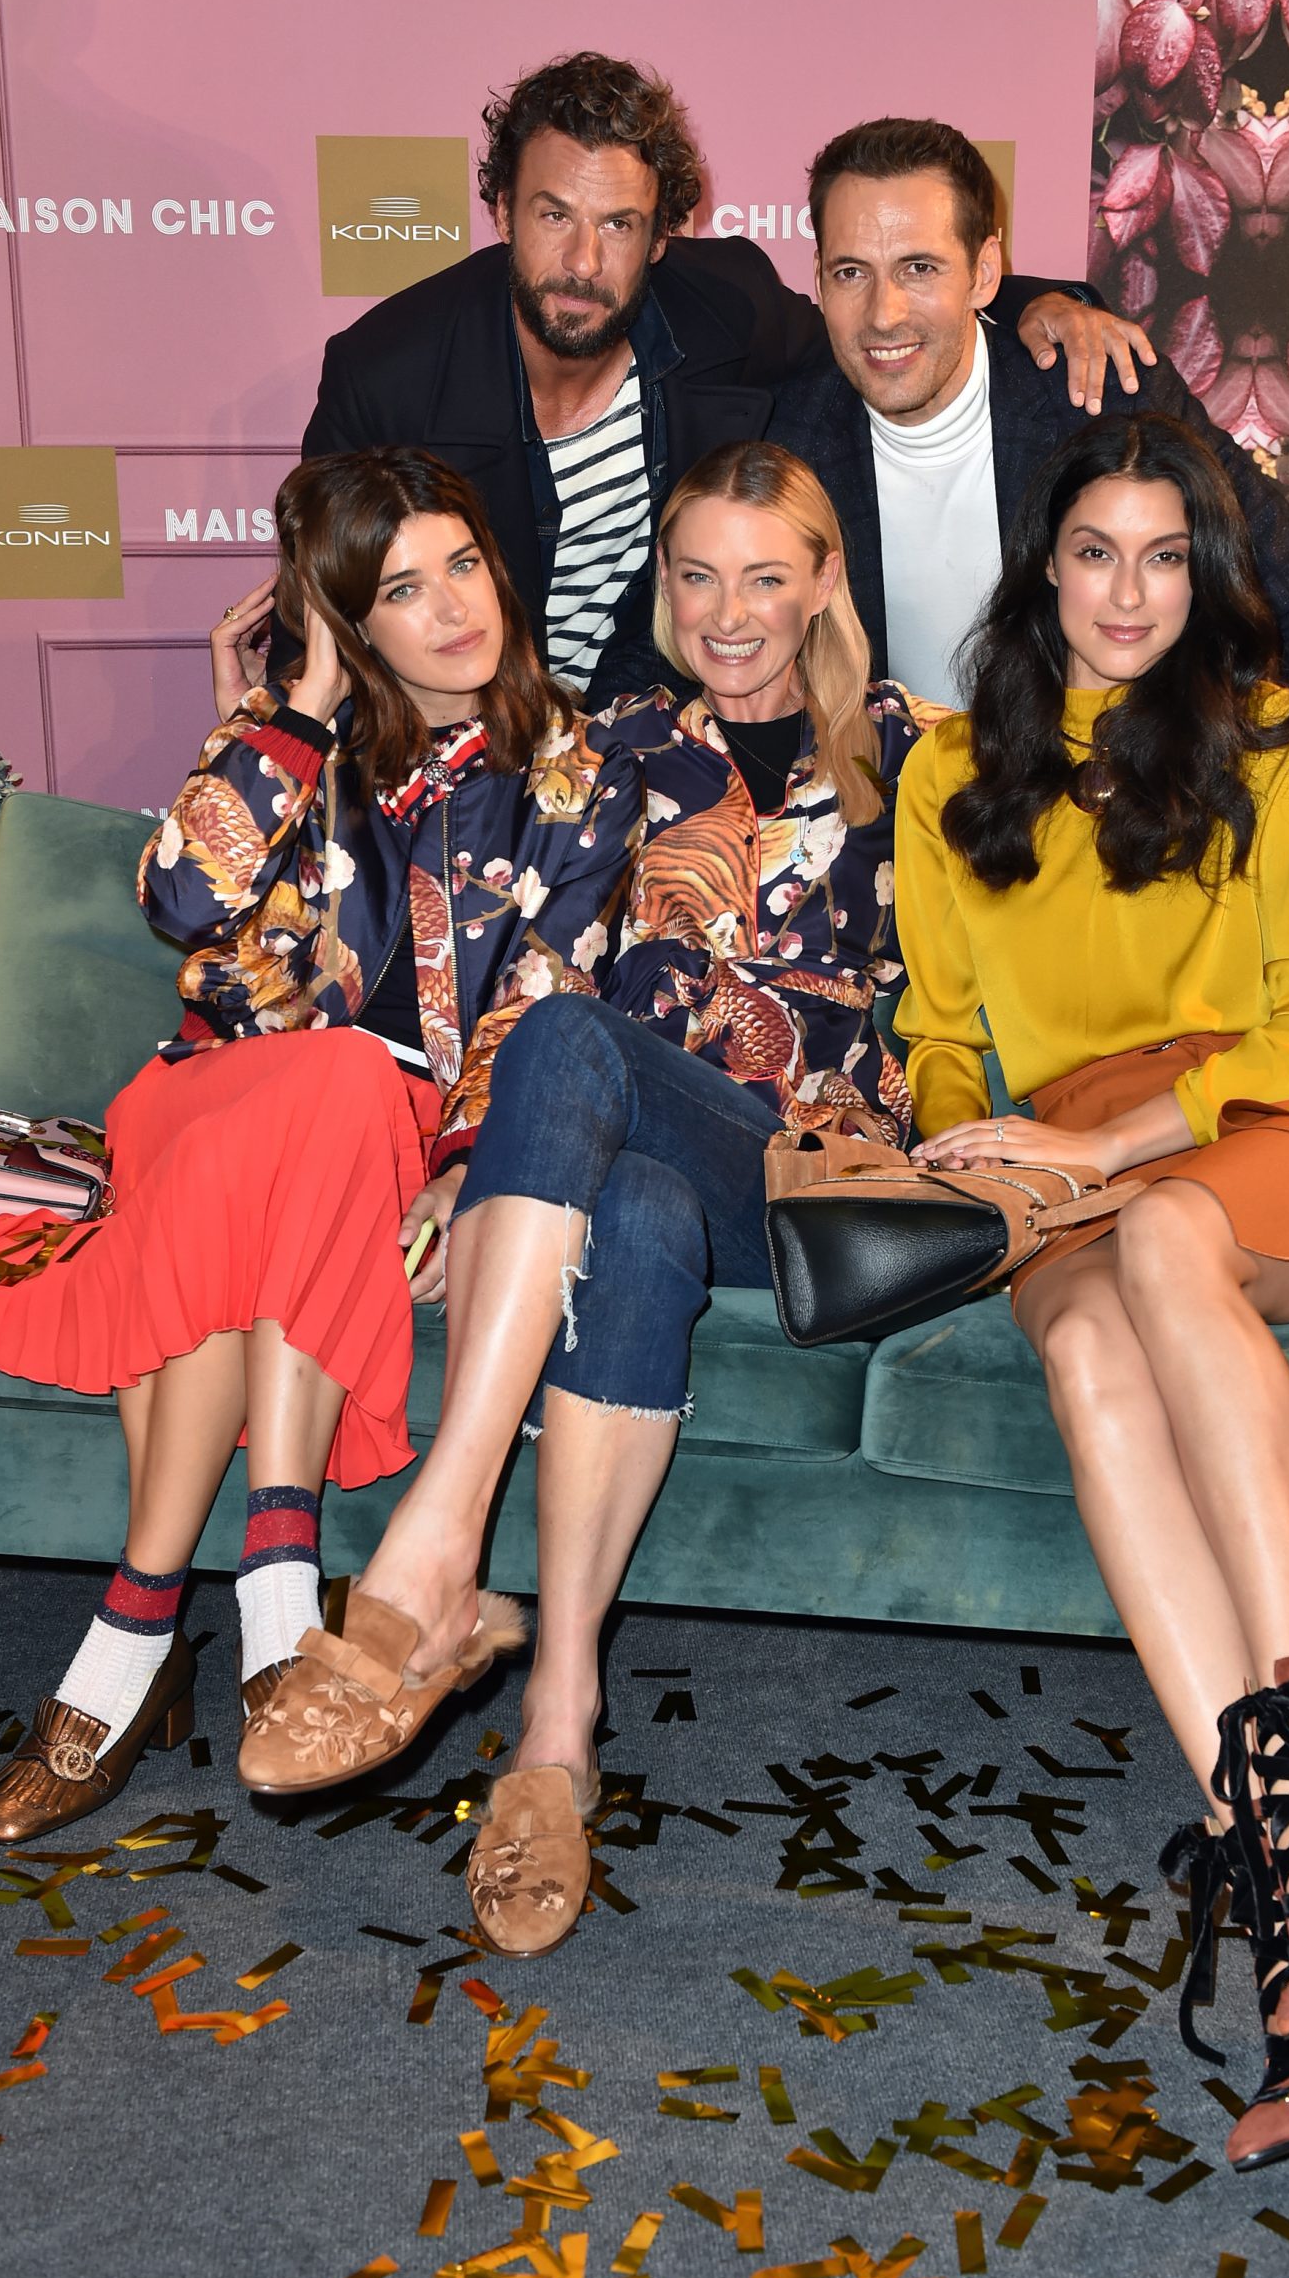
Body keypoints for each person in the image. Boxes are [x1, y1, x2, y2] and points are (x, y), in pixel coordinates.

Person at [240, 442, 937, 1959]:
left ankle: (434, 1551)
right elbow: (453, 916)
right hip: (638, 1161)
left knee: (573, 1041)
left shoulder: (920, 750)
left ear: (827, 582)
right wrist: (460, 1167)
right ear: (662, 589)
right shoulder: (599, 745)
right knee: (633, 1210)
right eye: (697, 576)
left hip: (808, 1183)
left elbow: (1115, 791)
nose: (729, 613)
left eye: (767, 576)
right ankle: (559, 1724)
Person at [0, 448, 640, 1845]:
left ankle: (132, 1631)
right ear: (348, 620)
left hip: (379, 1134)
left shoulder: (578, 772)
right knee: (317, 1090)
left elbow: (548, 994)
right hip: (206, 1098)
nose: (454, 609)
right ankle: (274, 1592)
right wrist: (293, 712)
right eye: (400, 591)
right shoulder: (291, 740)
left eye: (464, 565)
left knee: (334, 1099)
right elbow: (180, 903)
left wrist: (470, 1165)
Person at [893, 410, 1289, 2171]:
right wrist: (972, 1151)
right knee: (1082, 1348)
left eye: (1163, 557)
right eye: (1093, 553)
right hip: (1064, 1162)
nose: (1126, 593)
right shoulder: (946, 774)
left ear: (1207, 577)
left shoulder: (1276, 748)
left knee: (1155, 1241)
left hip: (1266, 1125)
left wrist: (1107, 1153)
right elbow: (937, 1031)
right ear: (1042, 569)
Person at [770, 117, 1289, 985]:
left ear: (985, 272)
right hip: (903, 856)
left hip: (1115, 834)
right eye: (850, 272)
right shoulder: (793, 434)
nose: (883, 313)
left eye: (920, 268)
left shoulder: (1095, 394)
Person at [302, 55, 1144, 713]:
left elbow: (879, 326)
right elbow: (319, 623)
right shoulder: (385, 376)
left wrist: (1043, 304)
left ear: (661, 238)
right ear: (500, 214)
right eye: (554, 216)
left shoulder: (724, 309)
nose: (583, 261)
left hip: (642, 731)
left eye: (619, 224)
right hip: (462, 743)